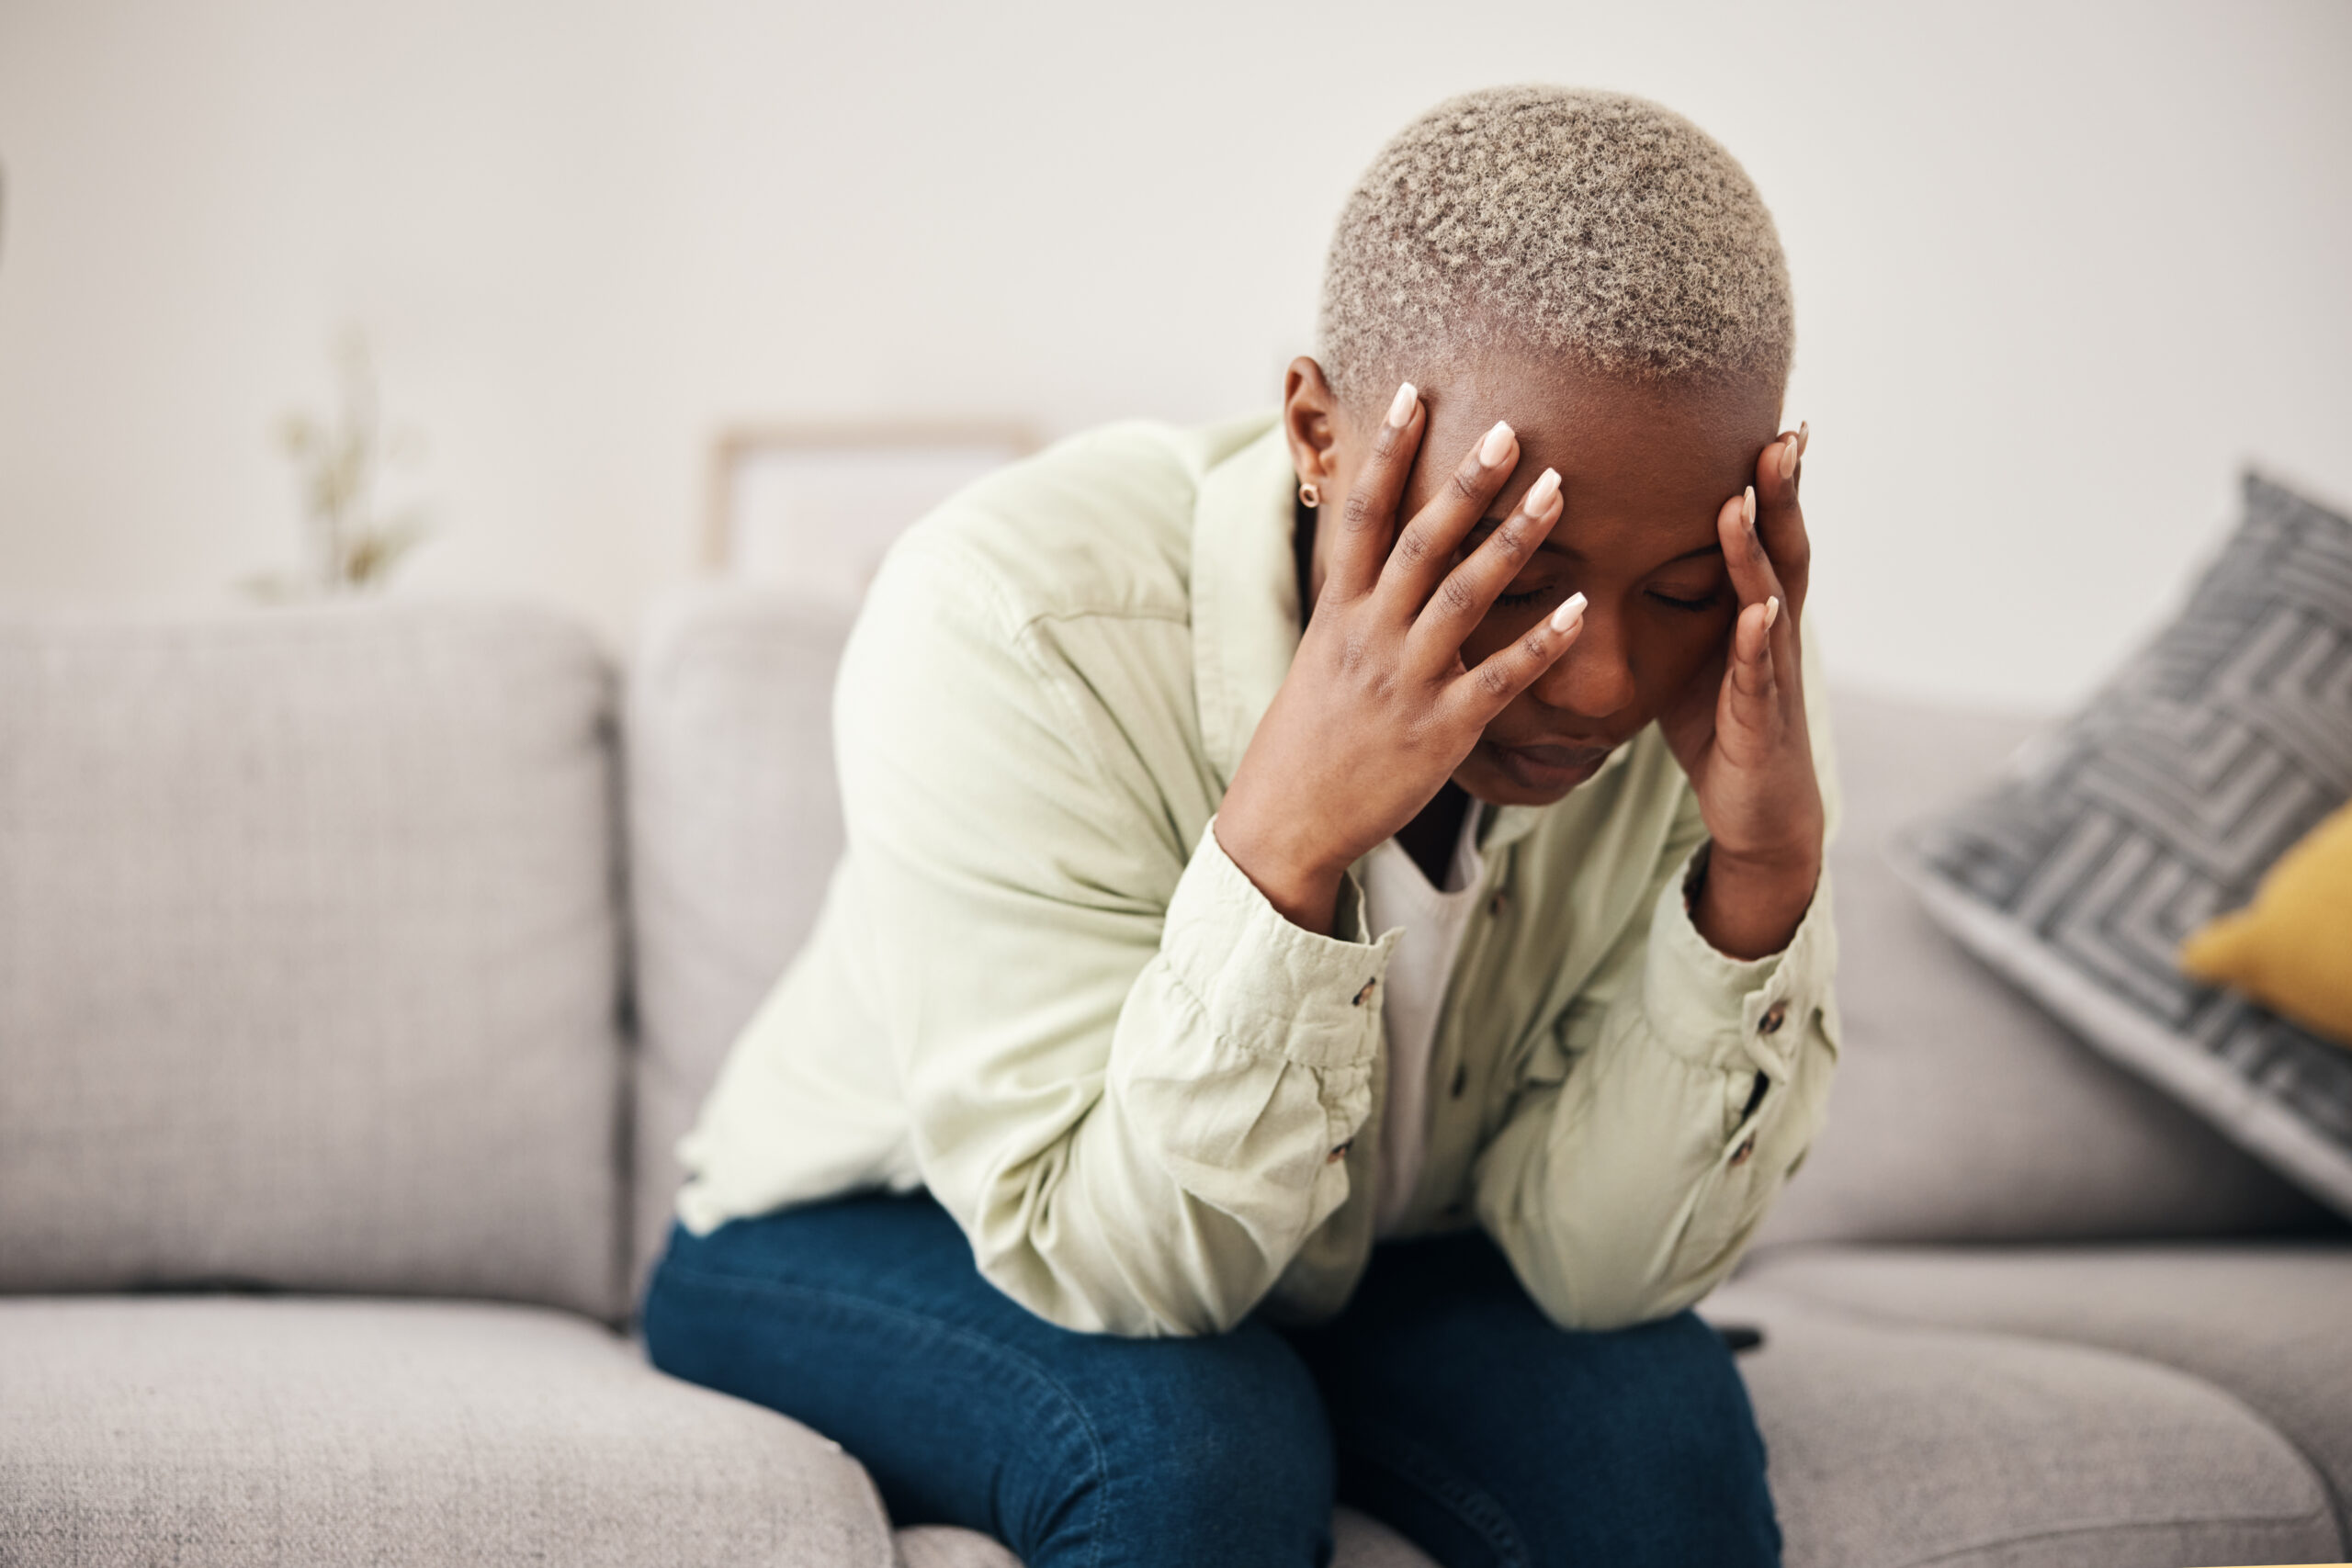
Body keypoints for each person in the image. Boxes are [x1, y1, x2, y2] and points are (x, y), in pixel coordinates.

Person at [644, 84, 1838, 1568]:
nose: (1601, 677)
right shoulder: (1016, 618)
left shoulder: (1721, 681)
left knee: (1656, 1444)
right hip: (907, 1218)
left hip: (1374, 1255)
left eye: (1674, 584)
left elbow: (1599, 1273)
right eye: (1513, 566)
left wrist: (1763, 879)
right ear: (1319, 433)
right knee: (1194, 1452)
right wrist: (1282, 846)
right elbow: (1113, 1254)